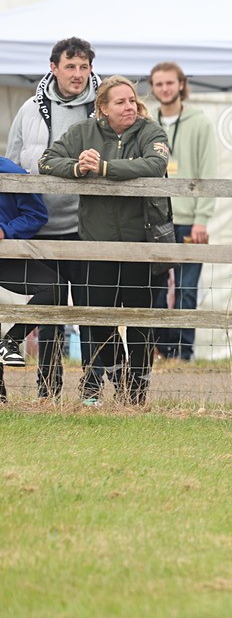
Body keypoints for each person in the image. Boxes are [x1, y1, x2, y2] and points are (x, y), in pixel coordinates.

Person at [39, 76, 171, 405]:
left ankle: (138, 390)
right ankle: (118, 370)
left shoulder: (150, 131)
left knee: (141, 320)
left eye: (132, 100)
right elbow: (46, 161)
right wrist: (78, 168)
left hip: (142, 244)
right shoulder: (83, 133)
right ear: (103, 107)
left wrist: (105, 167)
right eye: (120, 102)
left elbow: (155, 165)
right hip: (96, 243)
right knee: (99, 319)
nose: (129, 106)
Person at [5, 36, 100, 399]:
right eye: (70, 66)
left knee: (92, 310)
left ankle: (91, 389)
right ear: (54, 68)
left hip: (86, 226)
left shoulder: (101, 108)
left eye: (84, 67)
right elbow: (12, 163)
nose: (77, 74)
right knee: (51, 311)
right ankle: (48, 390)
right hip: (42, 226)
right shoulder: (30, 108)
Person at [148, 62, 217, 362]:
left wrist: (202, 219)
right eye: (158, 84)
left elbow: (209, 172)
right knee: (159, 290)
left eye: (169, 83)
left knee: (188, 289)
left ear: (180, 84)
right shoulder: (147, 123)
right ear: (153, 88)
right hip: (158, 220)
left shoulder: (200, 122)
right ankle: (163, 350)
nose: (164, 88)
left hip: (190, 221)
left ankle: (184, 354)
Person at [0, 157, 58, 401]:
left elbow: (36, 215)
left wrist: (5, 230)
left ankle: (10, 341)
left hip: (6, 257)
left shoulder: (11, 172)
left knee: (52, 287)